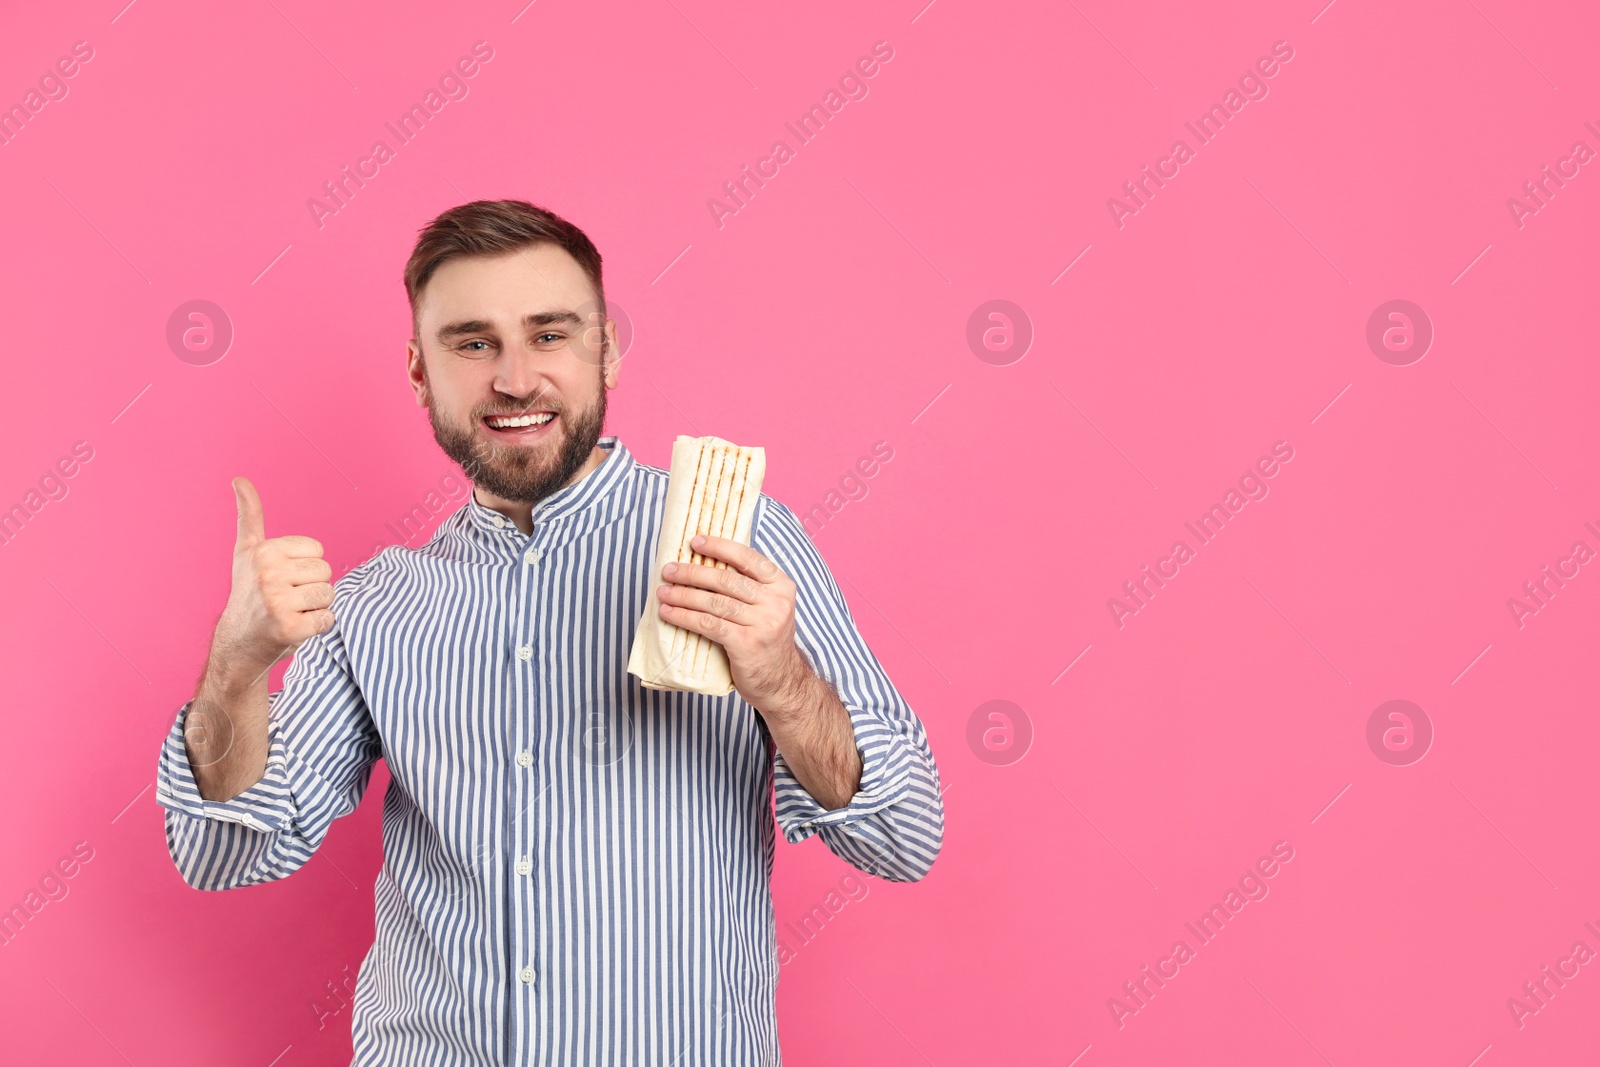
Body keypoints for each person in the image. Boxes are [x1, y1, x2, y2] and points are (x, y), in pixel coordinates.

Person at [155, 199, 945, 1064]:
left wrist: (785, 685)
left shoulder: (739, 545)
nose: (517, 378)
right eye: (473, 342)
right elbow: (223, 849)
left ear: (606, 350)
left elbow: (902, 835)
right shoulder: (375, 603)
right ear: (421, 372)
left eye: (550, 334)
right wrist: (235, 665)